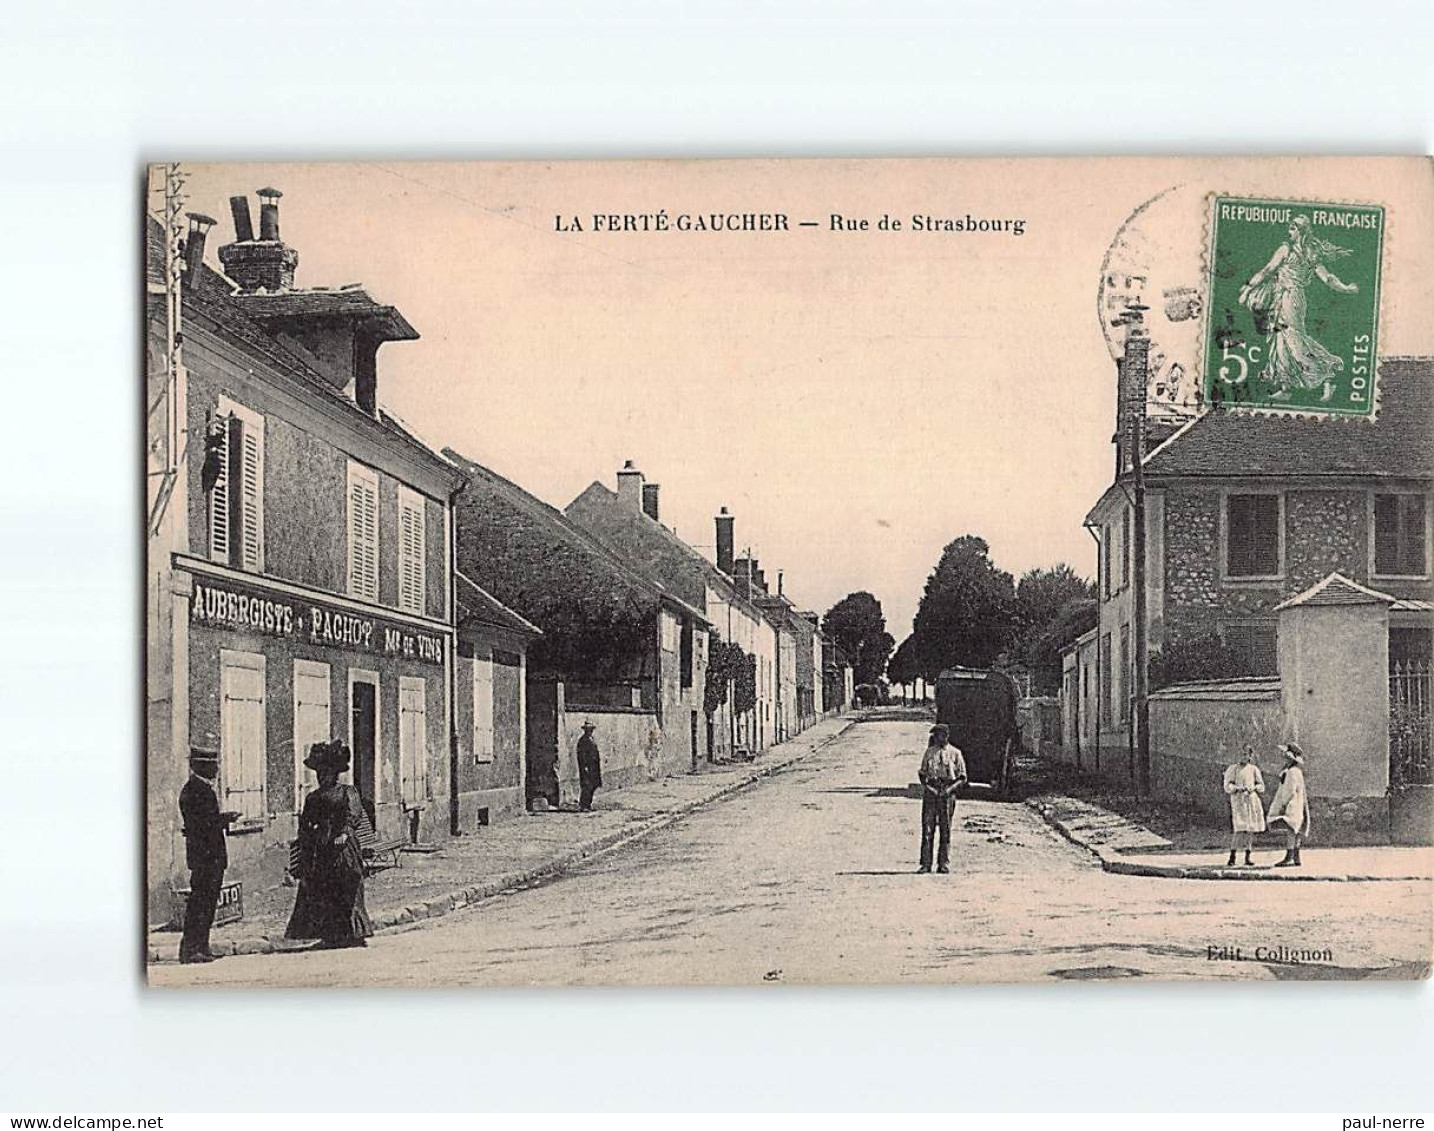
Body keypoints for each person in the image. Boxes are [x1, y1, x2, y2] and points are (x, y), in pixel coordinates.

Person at [1238, 214, 1359, 403]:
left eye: (1293, 228)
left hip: (1291, 298)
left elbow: (1326, 277)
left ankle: (1328, 375)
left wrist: (1344, 288)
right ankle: (1285, 387)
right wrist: (1249, 287)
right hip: (1282, 297)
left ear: (1302, 231)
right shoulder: (1298, 251)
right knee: (1280, 341)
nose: (1289, 232)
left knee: (1295, 341)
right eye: (1290, 228)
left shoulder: (1299, 252)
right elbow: (1268, 270)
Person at [285, 741, 373, 949]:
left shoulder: (347, 792)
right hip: (321, 847)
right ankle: (330, 935)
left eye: (326, 772)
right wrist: (306, 841)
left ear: (335, 774)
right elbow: (306, 823)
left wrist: (344, 832)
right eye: (319, 773)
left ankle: (354, 933)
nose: (322, 776)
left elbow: (354, 814)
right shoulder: (313, 797)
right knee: (324, 889)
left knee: (348, 885)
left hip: (343, 847)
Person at [177, 736, 240, 963]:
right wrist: (225, 819)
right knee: (200, 904)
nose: (216, 769)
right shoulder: (195, 791)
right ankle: (191, 949)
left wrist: (221, 819)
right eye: (212, 765)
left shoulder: (201, 789)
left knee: (206, 903)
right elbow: (202, 824)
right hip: (205, 857)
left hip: (209, 856)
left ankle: (200, 947)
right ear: (201, 766)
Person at [917, 723, 967, 874]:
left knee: (945, 829)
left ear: (945, 736)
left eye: (938, 735)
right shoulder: (929, 753)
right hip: (931, 793)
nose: (935, 738)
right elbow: (922, 774)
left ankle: (943, 863)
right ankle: (926, 864)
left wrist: (949, 790)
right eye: (935, 735)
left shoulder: (955, 753)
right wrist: (930, 789)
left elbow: (962, 777)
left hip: (948, 793)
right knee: (927, 829)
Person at [1267, 742, 1312, 868]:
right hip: (1298, 803)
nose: (1284, 759)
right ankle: (1296, 856)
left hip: (1292, 804)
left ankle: (1290, 856)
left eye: (1286, 758)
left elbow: (1289, 791)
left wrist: (1283, 803)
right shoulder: (1296, 771)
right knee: (1295, 830)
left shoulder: (1291, 772)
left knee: (1291, 830)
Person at [1222, 745, 1266, 866]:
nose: (1243, 757)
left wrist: (1253, 787)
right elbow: (1227, 785)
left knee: (1249, 829)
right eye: (1241, 754)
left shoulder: (1253, 769)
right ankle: (1232, 856)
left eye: (1246, 754)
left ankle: (1248, 856)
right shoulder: (1233, 769)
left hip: (1251, 801)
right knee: (1239, 829)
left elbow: (1262, 786)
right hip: (1238, 801)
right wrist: (1236, 788)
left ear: (1250, 756)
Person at [576, 720, 603, 812]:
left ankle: (588, 804)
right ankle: (583, 805)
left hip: (593, 767)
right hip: (587, 766)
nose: (590, 731)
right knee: (587, 786)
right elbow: (582, 755)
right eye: (588, 730)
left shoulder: (591, 739)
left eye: (591, 729)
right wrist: (584, 767)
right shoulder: (583, 741)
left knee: (593, 785)